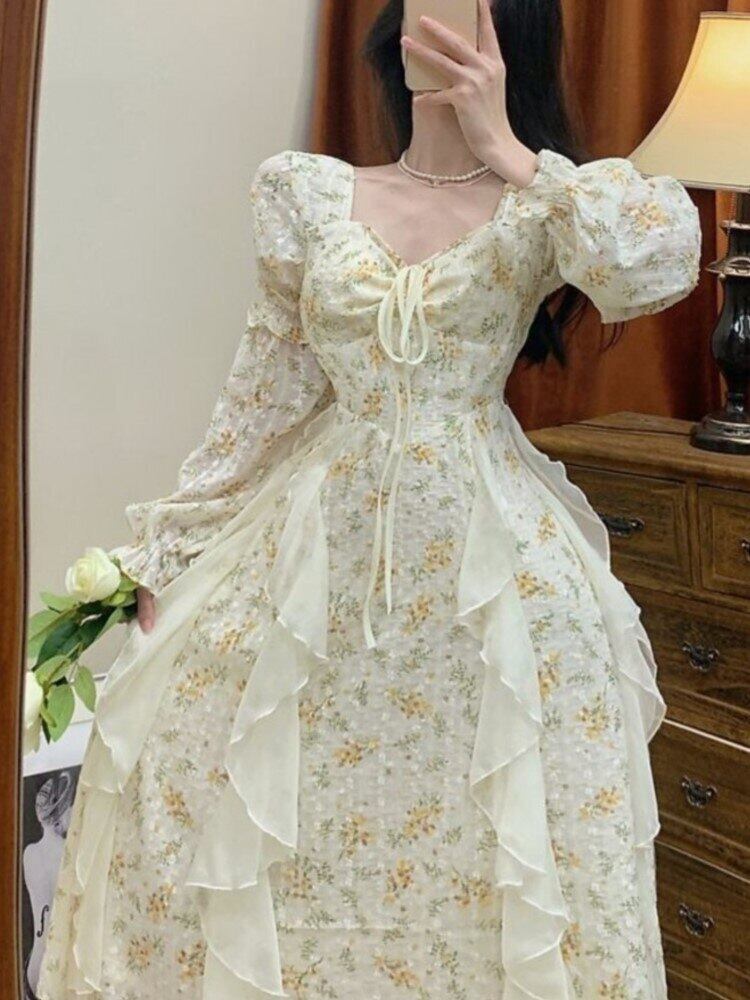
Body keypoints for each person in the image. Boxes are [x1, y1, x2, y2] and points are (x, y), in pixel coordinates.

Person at [38, 1, 701, 997]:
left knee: (491, 829)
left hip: (492, 568)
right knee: (253, 796)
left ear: (509, 37)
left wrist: (509, 148)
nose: (432, 29)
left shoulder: (545, 203)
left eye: (462, 12)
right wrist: (171, 546)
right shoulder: (308, 192)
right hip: (316, 553)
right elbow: (265, 392)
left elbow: (657, 264)